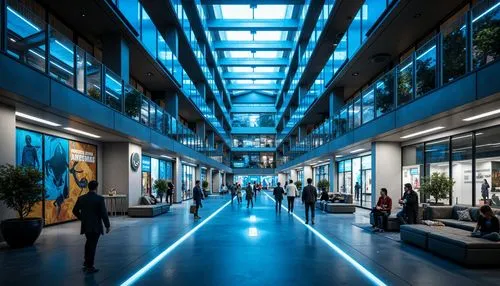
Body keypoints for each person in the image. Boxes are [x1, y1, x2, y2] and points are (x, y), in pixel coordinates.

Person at [72, 180, 110, 274]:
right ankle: (90, 266)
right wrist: (107, 225)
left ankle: (86, 262)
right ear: (96, 188)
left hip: (86, 225)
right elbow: (103, 214)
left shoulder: (82, 198)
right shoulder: (99, 199)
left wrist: (82, 218)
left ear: (88, 187)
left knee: (89, 243)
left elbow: (75, 210)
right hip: (96, 225)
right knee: (92, 245)